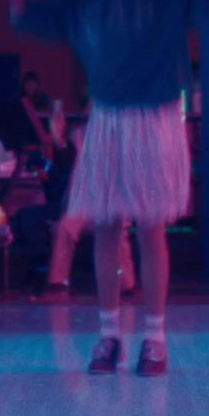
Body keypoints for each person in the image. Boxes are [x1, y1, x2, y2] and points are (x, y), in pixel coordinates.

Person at [10, 0, 209, 376]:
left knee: (150, 228)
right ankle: (109, 336)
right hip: (106, 117)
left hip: (155, 115)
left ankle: (154, 339)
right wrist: (21, 12)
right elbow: (49, 21)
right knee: (105, 226)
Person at [30, 115, 137, 299]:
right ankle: (58, 282)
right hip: (84, 202)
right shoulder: (80, 135)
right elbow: (65, 154)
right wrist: (57, 137)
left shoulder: (123, 137)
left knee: (117, 234)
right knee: (64, 227)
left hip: (112, 204)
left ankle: (126, 285)